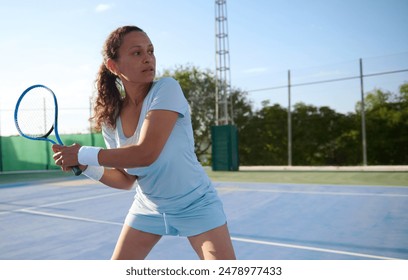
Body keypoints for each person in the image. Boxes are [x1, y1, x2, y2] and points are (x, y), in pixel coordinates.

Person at [52, 25, 236, 260]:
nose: (148, 58)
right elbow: (126, 179)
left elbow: (145, 153)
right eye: (137, 53)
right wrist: (87, 167)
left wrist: (82, 154)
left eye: (151, 51)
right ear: (113, 66)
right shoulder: (111, 120)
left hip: (196, 203)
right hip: (149, 208)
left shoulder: (167, 88)